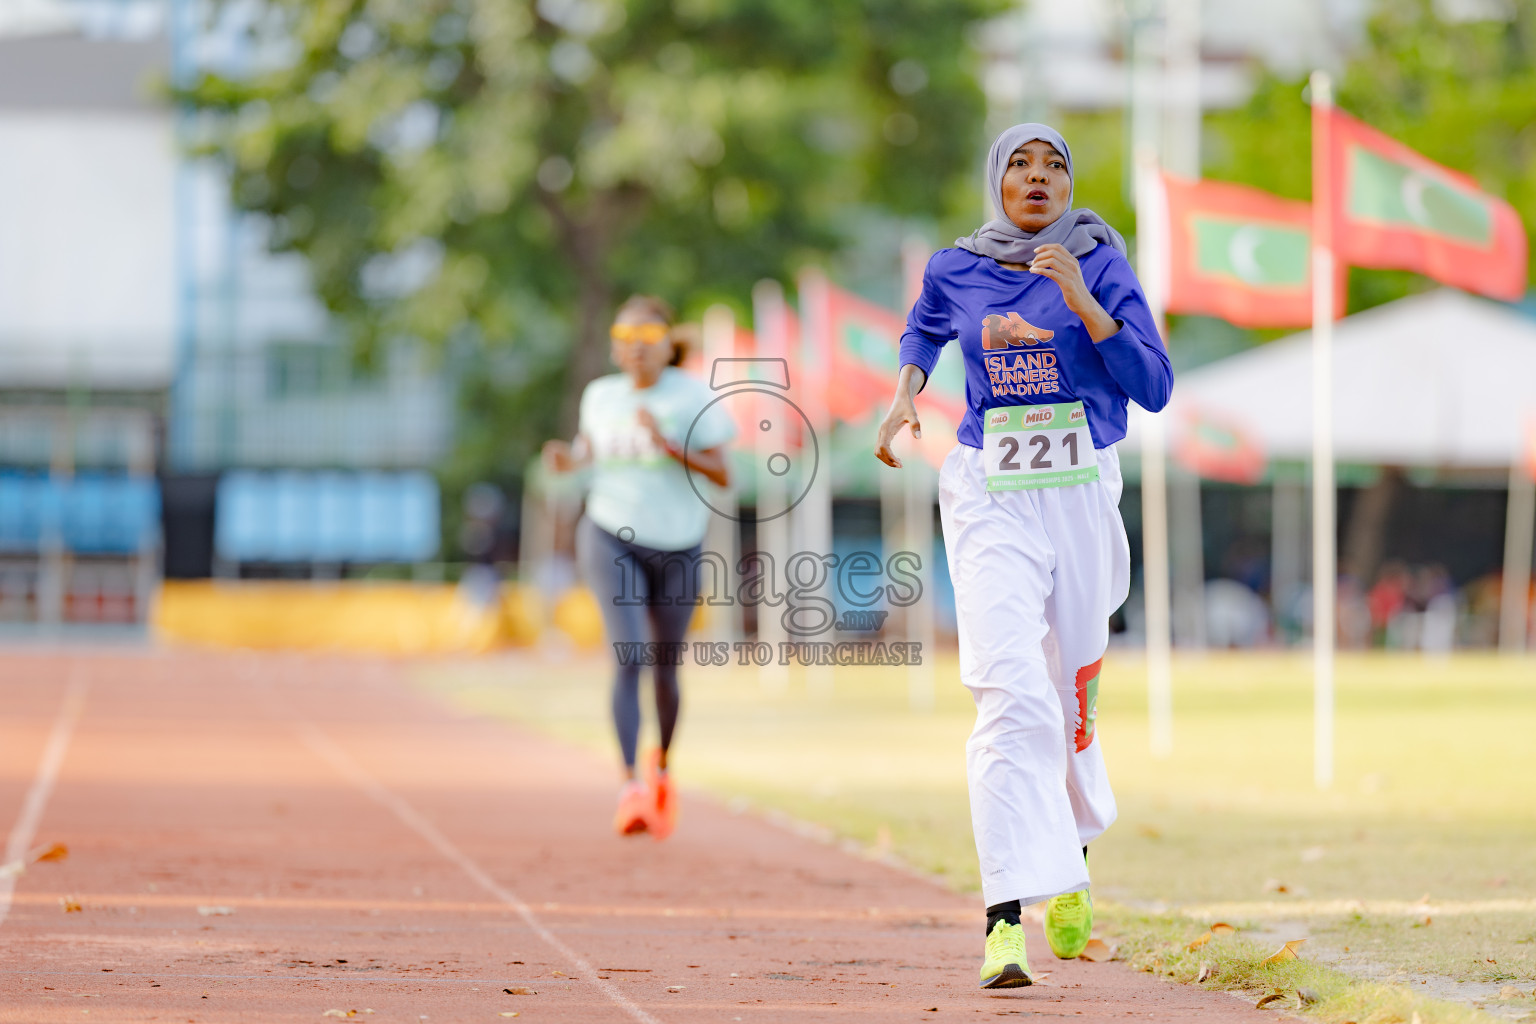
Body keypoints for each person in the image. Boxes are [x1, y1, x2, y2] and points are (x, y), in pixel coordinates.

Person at [875, 124, 1172, 988]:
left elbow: (1152, 387)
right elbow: (924, 330)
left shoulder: (1100, 260)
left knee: (1067, 690)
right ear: (995, 179)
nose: (1036, 179)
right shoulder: (955, 265)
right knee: (1007, 690)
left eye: (1054, 167)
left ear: (1070, 184)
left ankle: (1071, 850)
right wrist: (904, 396)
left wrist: (1083, 299)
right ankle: (1005, 920)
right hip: (986, 486)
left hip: (1078, 487)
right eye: (1019, 164)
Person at [542, 295, 735, 839]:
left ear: (668, 345)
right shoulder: (600, 396)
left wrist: (670, 446)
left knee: (665, 669)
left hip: (678, 545)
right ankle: (630, 789)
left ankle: (662, 770)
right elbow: (584, 454)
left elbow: (723, 475)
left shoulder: (693, 395)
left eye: (647, 341)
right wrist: (566, 461)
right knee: (628, 656)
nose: (635, 351)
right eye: (624, 339)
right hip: (610, 535)